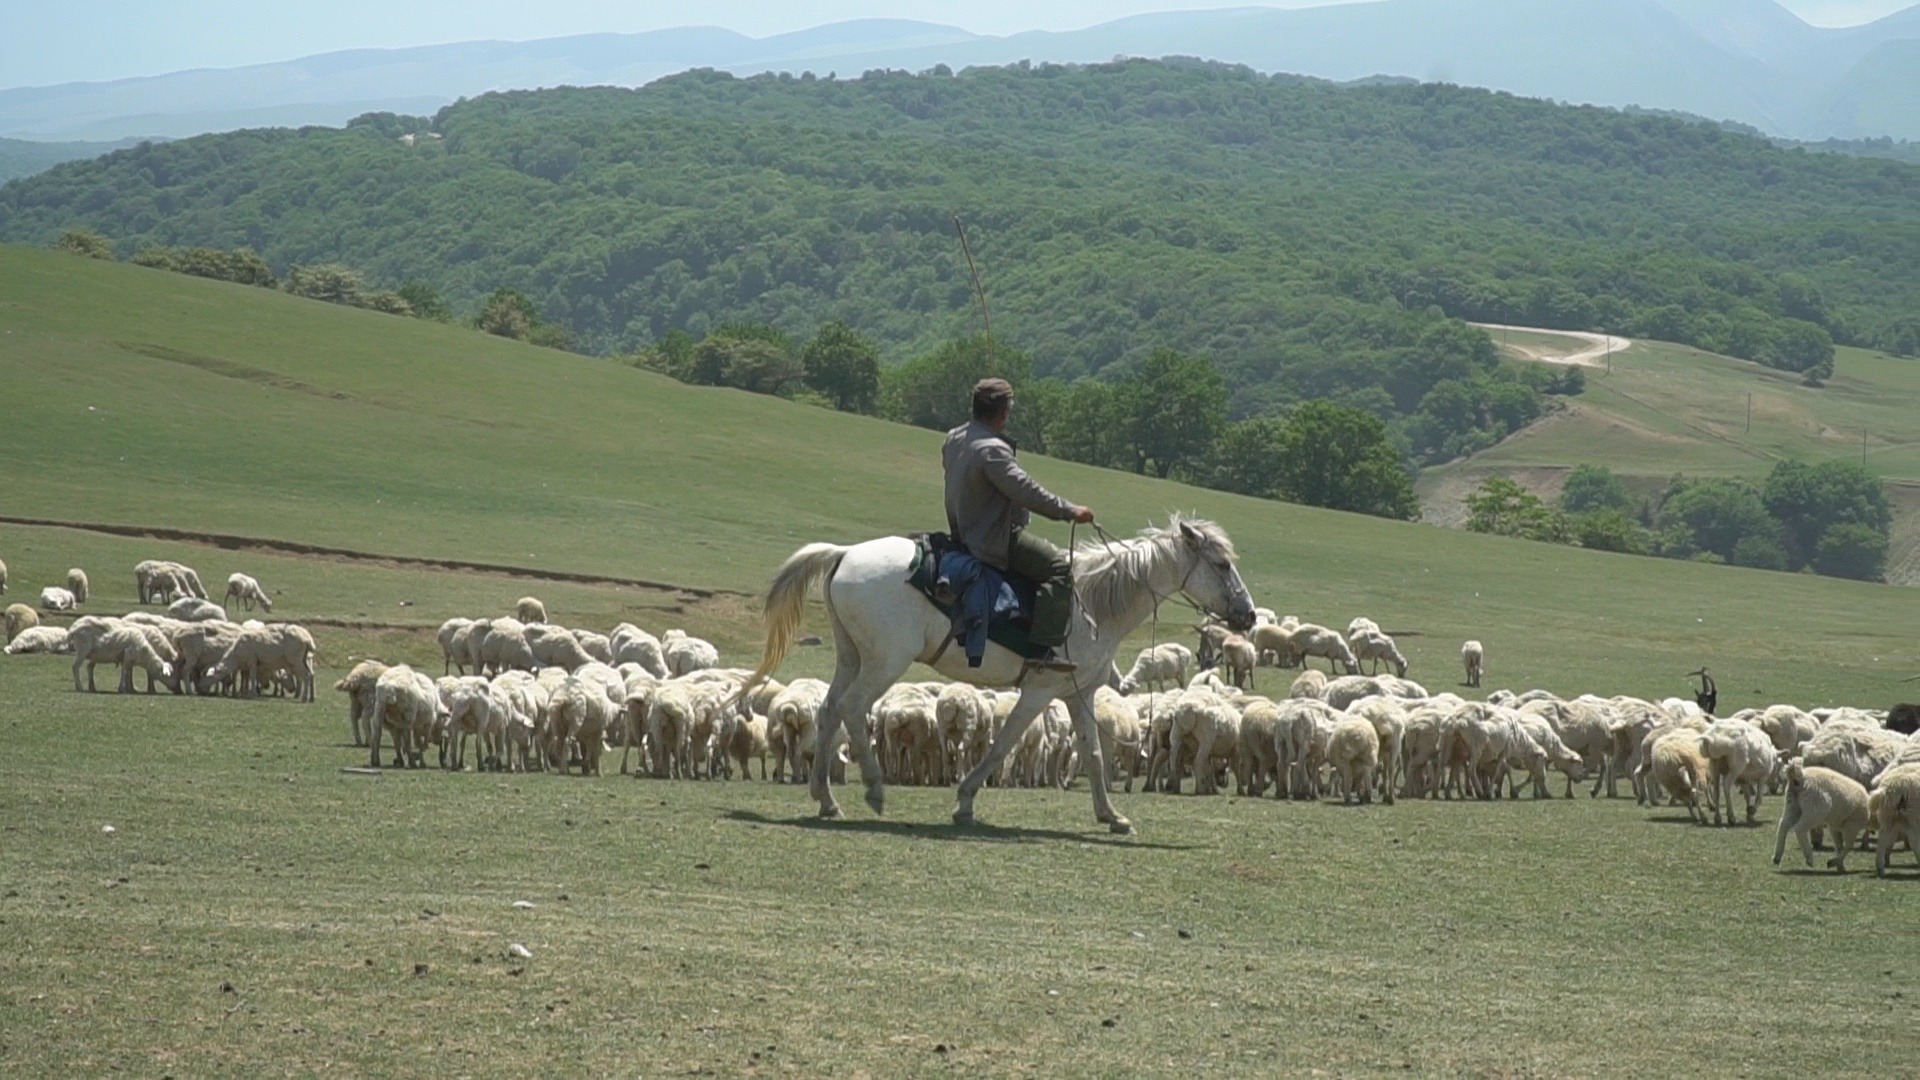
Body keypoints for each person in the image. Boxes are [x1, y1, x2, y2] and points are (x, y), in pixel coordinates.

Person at [942, 377, 1095, 671]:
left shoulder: (953, 438)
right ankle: (1041, 649)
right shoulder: (992, 451)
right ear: (1004, 413)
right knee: (1058, 569)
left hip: (961, 532)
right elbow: (1027, 492)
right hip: (991, 539)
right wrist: (1071, 511)